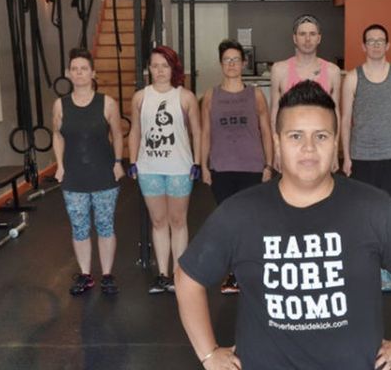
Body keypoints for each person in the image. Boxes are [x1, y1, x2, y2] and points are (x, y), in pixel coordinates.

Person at [175, 80, 391, 370]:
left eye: (321, 136)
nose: (309, 148)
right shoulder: (240, 212)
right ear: (277, 142)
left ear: (336, 142)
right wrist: (209, 354)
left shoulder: (373, 207)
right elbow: (188, 279)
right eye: (296, 136)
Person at [340, 24, 391, 292]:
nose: (375, 45)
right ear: (363, 46)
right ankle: (366, 265)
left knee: (390, 213)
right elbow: (345, 119)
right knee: (363, 213)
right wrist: (346, 156)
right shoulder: (352, 78)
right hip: (362, 155)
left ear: (388, 45)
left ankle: (385, 269)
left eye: (380, 41)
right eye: (370, 41)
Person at [200, 39, 274, 294]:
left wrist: (268, 164)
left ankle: (252, 271)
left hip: (251, 167)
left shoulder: (255, 95)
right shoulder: (211, 95)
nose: (231, 64)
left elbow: (266, 130)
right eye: (226, 60)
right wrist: (204, 166)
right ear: (221, 64)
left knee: (252, 222)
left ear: (243, 63)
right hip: (222, 167)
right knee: (229, 223)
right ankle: (234, 274)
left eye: (235, 60)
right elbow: (205, 133)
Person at [52, 48, 127, 295]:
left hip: (103, 173)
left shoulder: (107, 103)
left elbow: (117, 134)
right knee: (80, 228)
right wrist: (60, 166)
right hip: (74, 175)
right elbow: (57, 135)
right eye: (74, 69)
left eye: (84, 69)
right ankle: (86, 275)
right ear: (68, 73)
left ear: (93, 73)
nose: (79, 73)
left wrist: (117, 162)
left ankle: (107, 275)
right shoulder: (60, 105)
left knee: (105, 225)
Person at [128, 45, 203, 294]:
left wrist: (198, 162)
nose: (160, 70)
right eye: (155, 65)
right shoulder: (140, 97)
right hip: (149, 167)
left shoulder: (185, 97)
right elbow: (135, 131)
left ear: (173, 68)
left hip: (179, 168)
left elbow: (197, 132)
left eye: (165, 65)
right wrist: (132, 161)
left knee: (178, 221)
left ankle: (178, 274)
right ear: (149, 68)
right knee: (158, 221)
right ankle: (162, 274)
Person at [269, 14, 343, 172]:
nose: (307, 39)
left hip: (321, 144)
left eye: (312, 34)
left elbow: (336, 113)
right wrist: (277, 150)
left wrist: (335, 151)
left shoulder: (332, 71)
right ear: (294, 38)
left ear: (319, 38)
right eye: (302, 34)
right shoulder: (279, 70)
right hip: (292, 144)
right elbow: (275, 112)